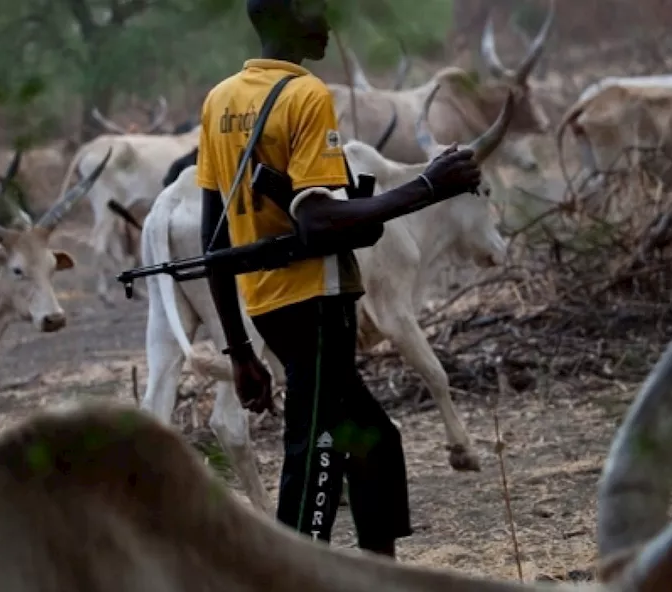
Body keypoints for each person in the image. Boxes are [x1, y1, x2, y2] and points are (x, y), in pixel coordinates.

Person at [195, 0, 485, 558]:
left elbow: (215, 241)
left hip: (267, 305)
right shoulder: (306, 96)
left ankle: (379, 570)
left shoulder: (221, 99)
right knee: (317, 451)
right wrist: (429, 186)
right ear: (284, 19)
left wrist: (238, 349)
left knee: (374, 441)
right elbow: (317, 220)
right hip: (317, 303)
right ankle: (295, 570)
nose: (326, 23)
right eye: (314, 11)